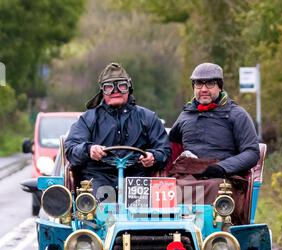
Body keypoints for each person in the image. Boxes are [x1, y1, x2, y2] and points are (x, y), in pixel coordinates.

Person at [168, 62, 260, 222]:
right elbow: (168, 144)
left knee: (217, 189)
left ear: (220, 86)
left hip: (223, 178)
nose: (203, 89)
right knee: (165, 190)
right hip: (188, 175)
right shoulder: (186, 115)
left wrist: (221, 168)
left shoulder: (237, 115)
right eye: (198, 83)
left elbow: (252, 152)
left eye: (210, 83)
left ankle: (215, 239)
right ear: (193, 87)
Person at [64, 62, 170, 200]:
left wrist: (153, 156)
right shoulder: (88, 119)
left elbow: (165, 150)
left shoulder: (147, 118)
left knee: (143, 212)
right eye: (109, 87)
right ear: (102, 91)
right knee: (97, 211)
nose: (115, 91)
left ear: (129, 88)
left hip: (136, 177)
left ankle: (141, 219)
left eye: (121, 86)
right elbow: (71, 149)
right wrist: (89, 150)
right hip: (98, 177)